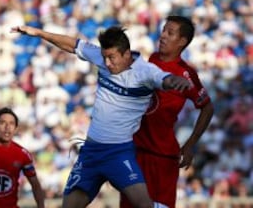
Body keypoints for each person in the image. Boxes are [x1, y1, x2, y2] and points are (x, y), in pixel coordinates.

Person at [11, 25, 192, 208]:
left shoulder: (146, 72)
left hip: (119, 153)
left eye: (112, 58)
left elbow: (165, 79)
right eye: (104, 57)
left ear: (126, 54)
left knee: (144, 205)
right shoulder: (102, 57)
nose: (106, 63)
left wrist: (175, 81)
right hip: (90, 153)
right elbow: (72, 44)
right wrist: (40, 33)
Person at [120, 15, 214, 208]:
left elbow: (207, 107)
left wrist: (189, 145)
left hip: (162, 158)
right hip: (136, 152)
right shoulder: (151, 59)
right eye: (163, 30)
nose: (162, 36)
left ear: (182, 42)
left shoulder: (185, 73)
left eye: (170, 33)